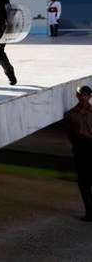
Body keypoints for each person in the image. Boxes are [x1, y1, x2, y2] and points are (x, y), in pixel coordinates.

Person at [65, 85, 92, 221]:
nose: (83, 97)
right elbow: (69, 134)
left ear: (90, 96)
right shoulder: (70, 115)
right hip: (80, 147)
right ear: (77, 95)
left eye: (86, 95)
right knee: (83, 181)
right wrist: (77, 144)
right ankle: (89, 212)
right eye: (81, 94)